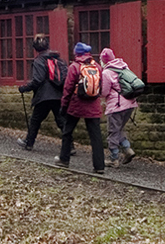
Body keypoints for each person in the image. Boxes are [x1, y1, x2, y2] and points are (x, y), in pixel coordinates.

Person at [59, 42, 111, 174]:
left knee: (67, 131)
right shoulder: (98, 67)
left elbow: (68, 88)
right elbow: (100, 85)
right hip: (93, 105)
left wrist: (64, 105)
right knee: (96, 136)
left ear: (77, 53)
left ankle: (64, 159)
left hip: (76, 104)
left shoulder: (74, 67)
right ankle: (99, 166)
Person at [15, 37, 65, 152]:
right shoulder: (57, 58)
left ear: (35, 48)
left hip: (44, 96)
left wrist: (25, 88)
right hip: (58, 94)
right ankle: (69, 146)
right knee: (61, 121)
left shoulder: (39, 60)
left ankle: (29, 142)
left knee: (35, 120)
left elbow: (38, 80)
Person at [100, 48, 139, 166]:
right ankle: (127, 149)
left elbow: (105, 92)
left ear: (103, 60)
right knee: (119, 129)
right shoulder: (124, 67)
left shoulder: (106, 72)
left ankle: (114, 159)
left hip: (116, 105)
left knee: (112, 131)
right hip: (130, 104)